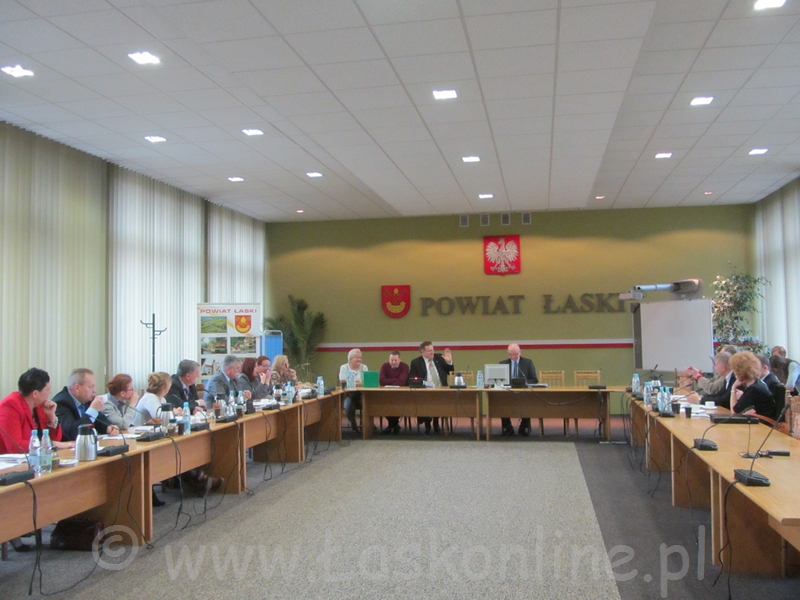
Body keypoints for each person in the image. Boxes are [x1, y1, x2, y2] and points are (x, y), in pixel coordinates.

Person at [0, 368, 67, 552]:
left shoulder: (38, 407)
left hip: (32, 461)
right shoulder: (9, 406)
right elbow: (15, 445)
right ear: (35, 393)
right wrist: (52, 445)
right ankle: (12, 532)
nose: (49, 394)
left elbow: (53, 437)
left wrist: (52, 417)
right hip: (10, 464)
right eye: (48, 389)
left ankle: (18, 530)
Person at [53, 368, 119, 439]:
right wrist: (93, 410)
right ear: (77, 388)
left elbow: (99, 421)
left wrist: (109, 427)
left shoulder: (86, 400)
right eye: (91, 387)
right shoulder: (61, 403)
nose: (94, 391)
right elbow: (72, 432)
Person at [408, 341, 454, 434]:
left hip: (441, 390)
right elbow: (412, 379)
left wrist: (449, 362)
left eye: (433, 350)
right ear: (422, 352)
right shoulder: (416, 362)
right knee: (424, 402)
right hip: (424, 392)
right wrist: (420, 383)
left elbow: (450, 371)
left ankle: (436, 423)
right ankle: (427, 424)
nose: (432, 352)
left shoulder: (439, 358)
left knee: (439, 402)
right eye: (429, 351)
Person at [499, 343, 538, 436]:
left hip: (523, 393)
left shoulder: (528, 363)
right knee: (499, 401)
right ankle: (507, 427)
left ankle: (524, 427)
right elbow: (498, 380)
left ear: (520, 352)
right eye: (511, 355)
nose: (513, 357)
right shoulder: (502, 364)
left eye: (515, 354)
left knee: (528, 402)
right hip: (507, 393)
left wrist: (524, 383)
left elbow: (534, 379)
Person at [729, 351, 777, 420]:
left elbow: (734, 412)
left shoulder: (753, 389)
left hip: (765, 424)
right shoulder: (757, 383)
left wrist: (733, 388)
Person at [339, 348, 369, 432]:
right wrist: (359, 383)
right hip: (349, 395)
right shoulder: (344, 367)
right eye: (357, 358)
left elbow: (367, 381)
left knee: (369, 404)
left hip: (362, 395)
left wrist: (352, 382)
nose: (359, 359)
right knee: (348, 406)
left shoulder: (364, 367)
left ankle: (367, 425)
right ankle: (353, 425)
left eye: (360, 357)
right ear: (350, 359)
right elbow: (343, 381)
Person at [379, 351, 409, 434]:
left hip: (401, 394)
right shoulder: (384, 366)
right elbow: (382, 381)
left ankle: (392, 425)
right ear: (389, 359)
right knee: (381, 403)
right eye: (391, 360)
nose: (393, 362)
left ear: (400, 359)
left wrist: (388, 381)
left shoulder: (404, 366)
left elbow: (402, 382)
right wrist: (396, 379)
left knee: (396, 403)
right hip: (386, 394)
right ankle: (394, 425)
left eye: (395, 360)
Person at [758, 354, 786, 420]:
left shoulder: (772, 384)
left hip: (767, 421)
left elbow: (770, 410)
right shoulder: (762, 382)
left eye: (755, 368)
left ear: (765, 368)